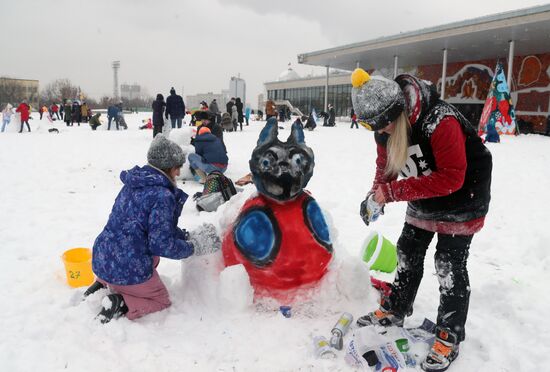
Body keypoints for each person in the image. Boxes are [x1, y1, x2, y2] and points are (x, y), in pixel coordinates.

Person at [350, 68, 492, 372]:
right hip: (425, 189)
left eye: (382, 127)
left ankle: (449, 334)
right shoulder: (385, 128)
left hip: (464, 195)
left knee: (448, 264)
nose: (381, 133)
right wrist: (374, 195)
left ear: (396, 114)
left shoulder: (440, 121)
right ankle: (397, 307)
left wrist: (391, 192)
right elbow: (385, 167)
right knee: (408, 251)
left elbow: (453, 178)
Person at [84, 134, 195, 323]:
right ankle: (120, 302)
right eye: (177, 167)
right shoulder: (162, 196)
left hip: (103, 258)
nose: (178, 173)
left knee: (144, 253)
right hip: (127, 266)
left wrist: (182, 235)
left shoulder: (134, 183)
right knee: (161, 300)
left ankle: (102, 283)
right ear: (168, 167)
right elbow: (161, 244)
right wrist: (192, 247)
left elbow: (152, 227)